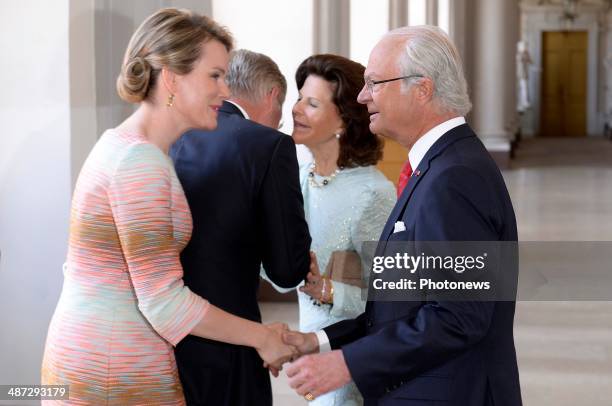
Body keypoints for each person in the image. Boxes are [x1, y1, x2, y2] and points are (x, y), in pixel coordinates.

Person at [40, 9, 295, 405]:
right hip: (114, 368)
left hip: (101, 355)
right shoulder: (139, 163)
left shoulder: (129, 147)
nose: (225, 91)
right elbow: (164, 302)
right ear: (172, 79)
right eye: (214, 75)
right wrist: (262, 337)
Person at [283, 26, 523, 406]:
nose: (363, 97)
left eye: (375, 83)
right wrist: (320, 340)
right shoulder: (439, 165)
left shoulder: (454, 177)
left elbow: (457, 317)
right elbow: (403, 305)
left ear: (422, 89)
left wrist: (347, 363)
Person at [169, 49, 311, 406]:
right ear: (272, 95)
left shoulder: (174, 135)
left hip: (164, 342)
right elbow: (287, 268)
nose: (279, 125)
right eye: (280, 115)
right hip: (232, 346)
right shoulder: (269, 146)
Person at [271, 54, 396, 405]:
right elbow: (283, 275)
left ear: (343, 119)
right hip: (310, 352)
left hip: (350, 359)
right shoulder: (298, 176)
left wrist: (328, 289)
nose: (296, 110)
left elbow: (392, 299)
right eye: (299, 98)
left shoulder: (371, 194)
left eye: (312, 104)